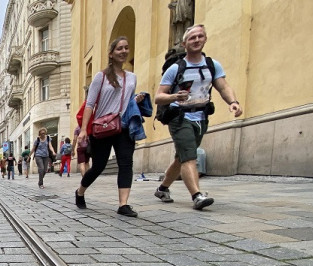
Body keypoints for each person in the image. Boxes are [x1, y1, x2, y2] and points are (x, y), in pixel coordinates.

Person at [154, 24, 242, 210]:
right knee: (189, 158)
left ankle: (162, 188)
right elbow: (158, 97)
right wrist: (174, 97)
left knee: (182, 157)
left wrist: (233, 102)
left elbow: (223, 86)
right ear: (184, 43)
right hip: (179, 116)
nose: (196, 40)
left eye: (200, 36)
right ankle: (197, 195)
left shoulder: (212, 65)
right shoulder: (176, 68)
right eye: (192, 38)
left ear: (205, 39)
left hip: (201, 117)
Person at [75, 36, 143, 217]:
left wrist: (136, 100)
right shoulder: (101, 77)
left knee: (126, 163)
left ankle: (123, 204)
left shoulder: (132, 78)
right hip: (103, 126)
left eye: (126, 48)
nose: (123, 51)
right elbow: (89, 104)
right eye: (119, 49)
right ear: (111, 54)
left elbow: (128, 101)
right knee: (98, 166)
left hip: (123, 126)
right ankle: (80, 191)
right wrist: (83, 130)